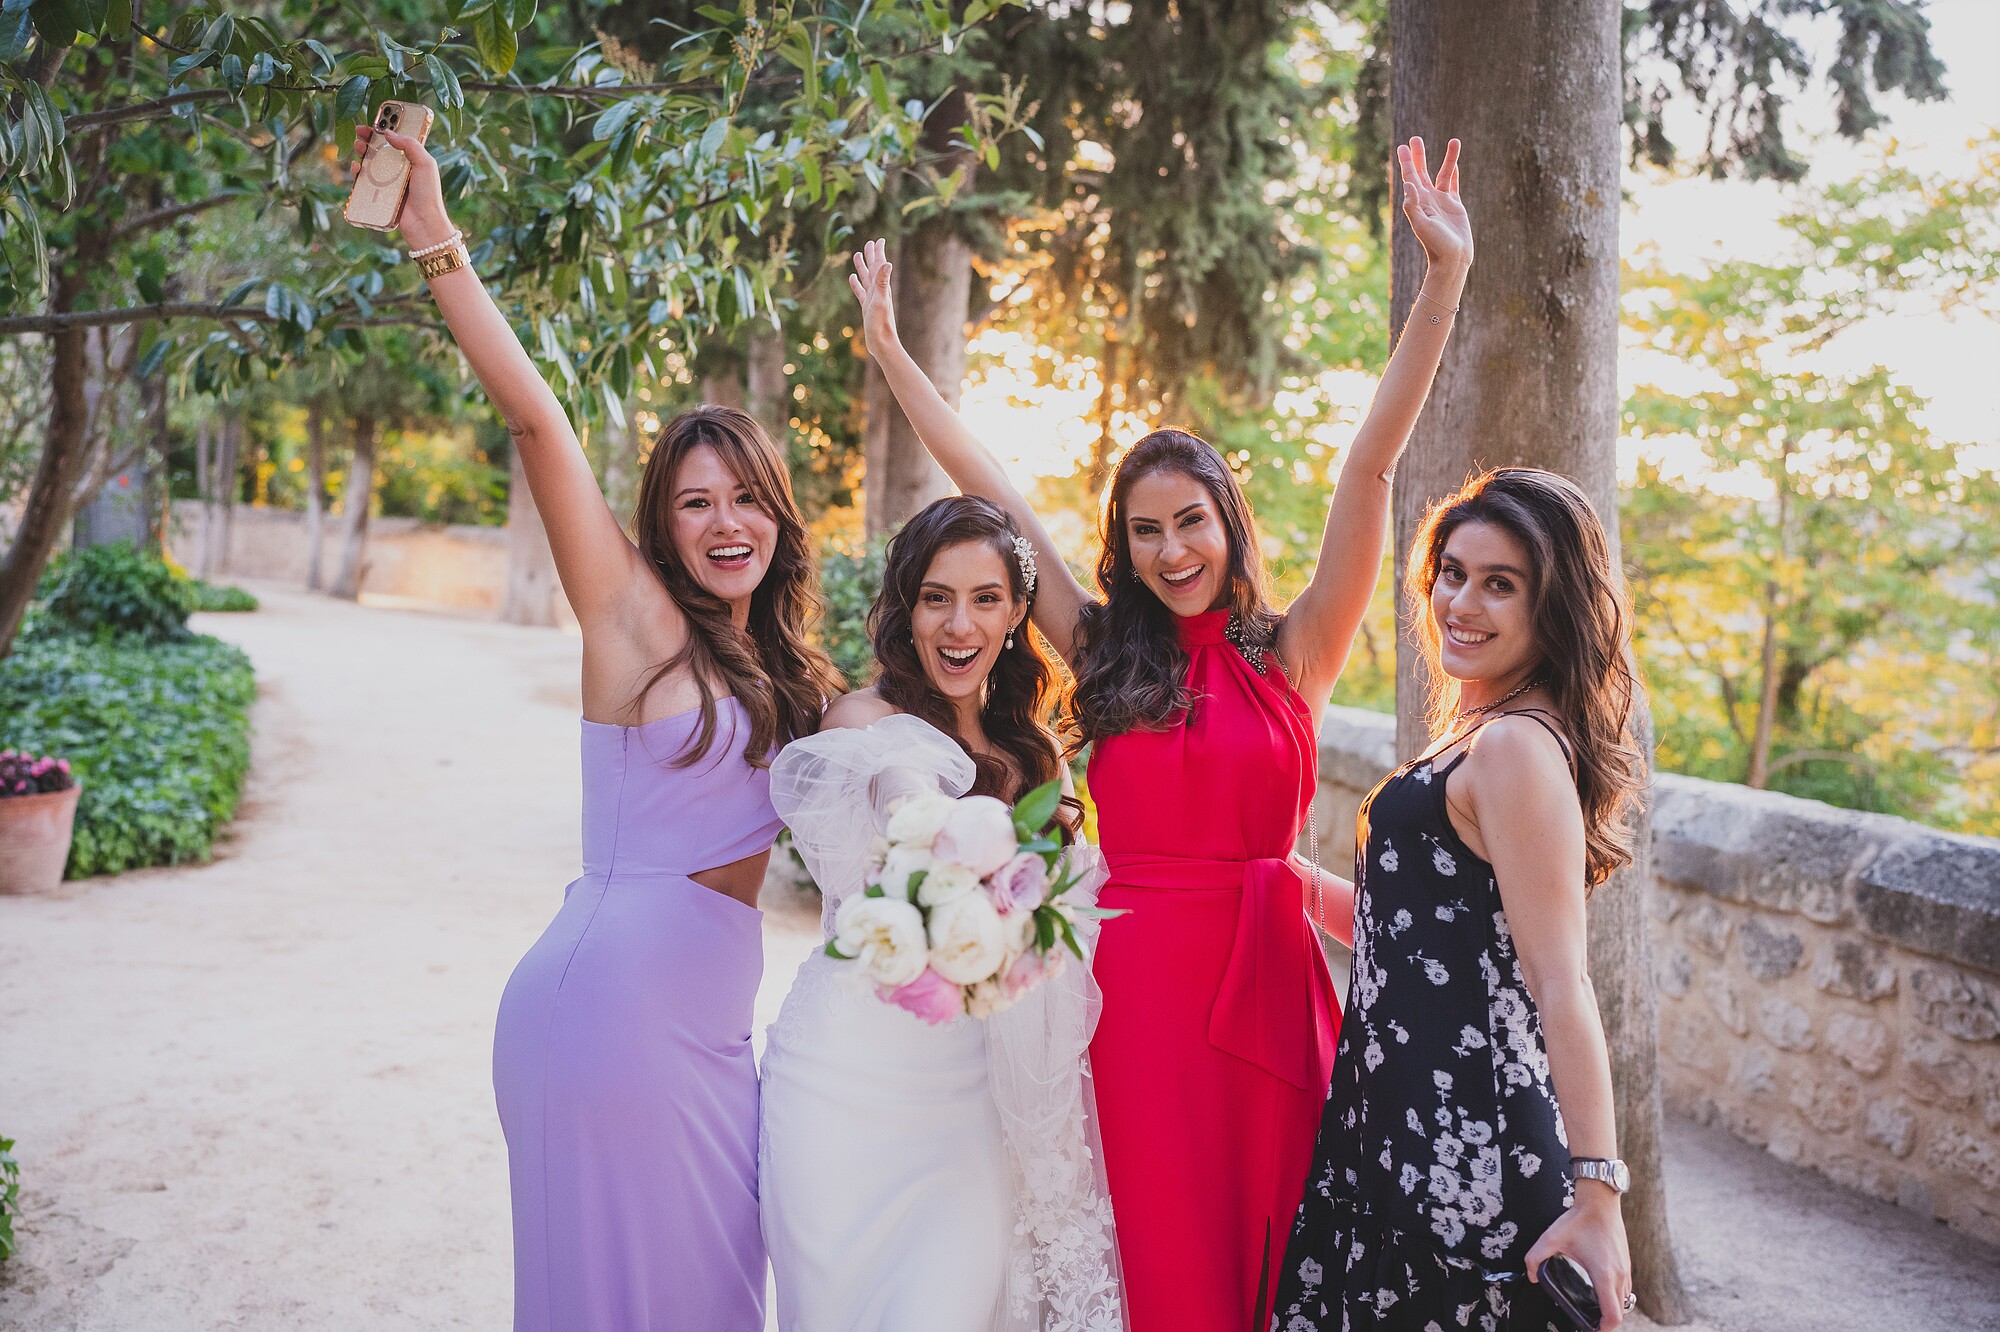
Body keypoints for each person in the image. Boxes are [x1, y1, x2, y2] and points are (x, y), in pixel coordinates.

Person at [852, 136, 1474, 1331]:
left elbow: (1370, 467)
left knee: (1281, 1237)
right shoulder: (1097, 649)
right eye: (1143, 530)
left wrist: (1440, 280)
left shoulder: (1293, 651)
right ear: (1120, 545)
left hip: (1268, 982)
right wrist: (892, 357)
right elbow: (992, 488)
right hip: (1128, 993)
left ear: (1229, 526)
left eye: (1190, 521)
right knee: (1152, 1246)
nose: (1171, 550)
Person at [351, 123, 843, 1331]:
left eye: (744, 500)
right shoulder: (633, 622)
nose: (724, 524)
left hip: (708, 1027)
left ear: (777, 515)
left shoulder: (799, 680)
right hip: (606, 1005)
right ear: (661, 525)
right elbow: (537, 425)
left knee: (720, 1286)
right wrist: (434, 237)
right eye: (693, 503)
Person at [1272, 467, 1643, 1332]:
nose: (1461, 603)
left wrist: (1599, 1197)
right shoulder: (1480, 730)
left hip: (1470, 1154)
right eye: (1452, 573)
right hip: (1394, 1130)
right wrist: (1266, 878)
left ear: (1552, 609)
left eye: (1499, 584)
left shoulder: (1516, 747)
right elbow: (1405, 939)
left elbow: (1561, 985)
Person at [761, 495, 1123, 1332]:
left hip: (970, 1110)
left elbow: (1074, 930)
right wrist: (942, 834)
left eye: (986, 598)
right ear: (905, 608)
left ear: (1016, 613)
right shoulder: (865, 722)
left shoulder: (1039, 758)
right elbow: (903, 797)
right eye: (936, 597)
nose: (960, 624)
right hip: (840, 1092)